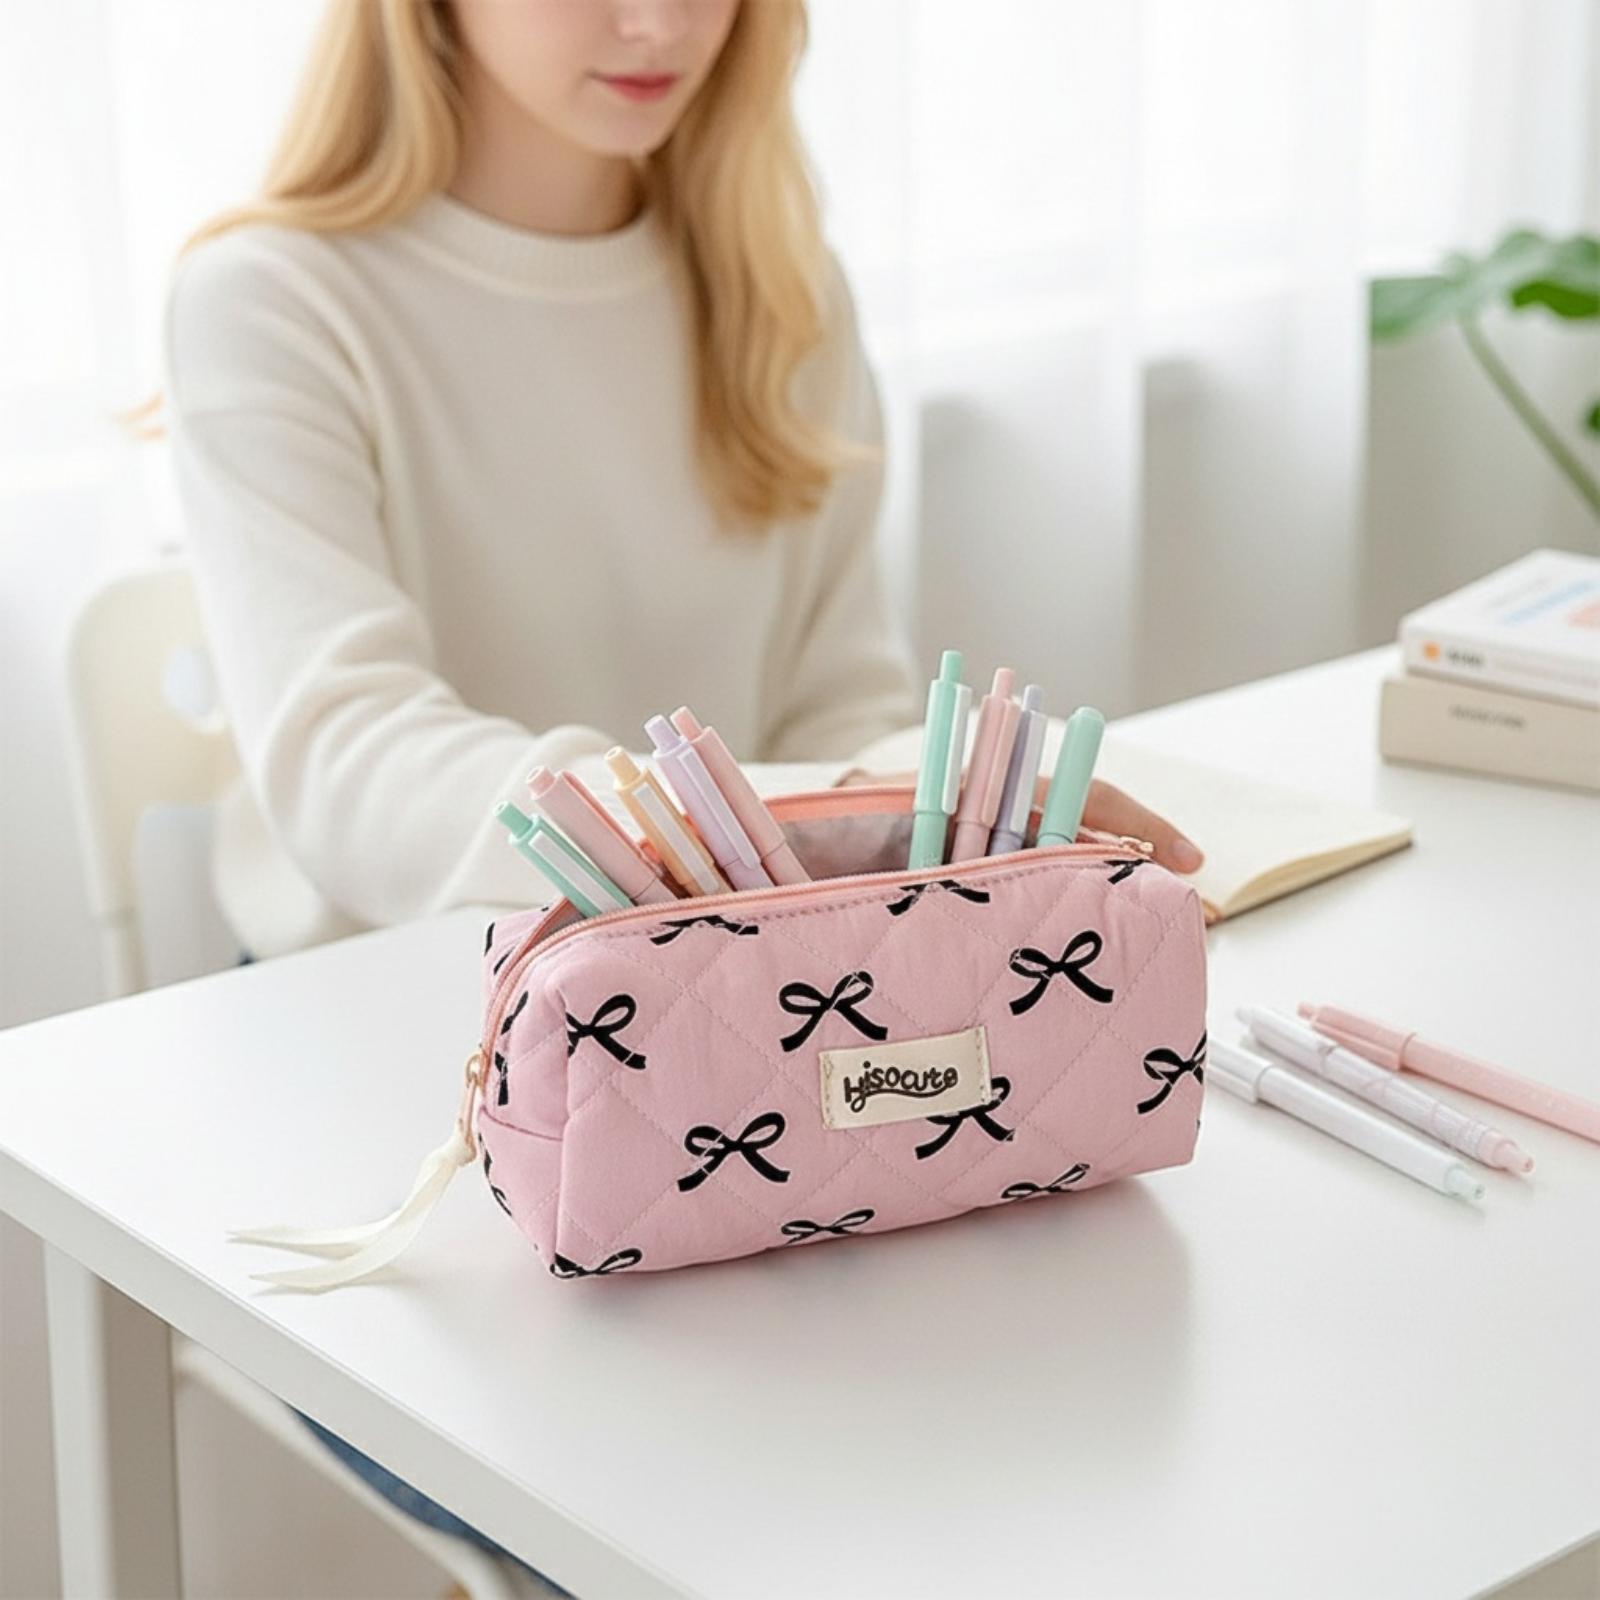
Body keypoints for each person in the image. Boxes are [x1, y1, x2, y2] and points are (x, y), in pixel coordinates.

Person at [162, 0, 1203, 1585]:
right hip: (389, 1074)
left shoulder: (776, 285)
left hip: (744, 1028)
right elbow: (352, 765)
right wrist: (825, 816)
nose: (658, 21)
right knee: (730, 1526)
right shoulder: (274, 298)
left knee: (1029, 1452)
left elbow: (841, 697)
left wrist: (947, 837)